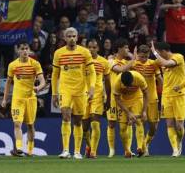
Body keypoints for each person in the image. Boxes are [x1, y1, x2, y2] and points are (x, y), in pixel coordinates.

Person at [51, 27, 96, 159]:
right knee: (65, 117)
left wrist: (91, 87)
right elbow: (55, 75)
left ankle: (77, 151)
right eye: (69, 36)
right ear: (65, 38)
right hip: (65, 89)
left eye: (74, 36)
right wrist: (54, 93)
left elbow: (92, 72)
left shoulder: (85, 52)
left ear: (77, 37)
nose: (71, 38)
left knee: (78, 121)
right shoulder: (58, 53)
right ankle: (65, 150)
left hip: (81, 90)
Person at [1, 40, 46, 157]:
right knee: (17, 123)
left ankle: (30, 151)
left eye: (27, 49)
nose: (25, 51)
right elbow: (8, 83)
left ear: (29, 50)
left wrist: (38, 88)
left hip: (31, 99)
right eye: (22, 49)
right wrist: (5, 99)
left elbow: (42, 81)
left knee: (30, 125)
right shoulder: (13, 65)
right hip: (17, 99)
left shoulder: (35, 64)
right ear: (18, 50)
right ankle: (20, 148)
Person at [151, 41, 185, 157]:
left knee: (179, 126)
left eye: (159, 53)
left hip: (178, 95)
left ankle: (179, 141)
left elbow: (166, 63)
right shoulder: (159, 61)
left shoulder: (178, 57)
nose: (158, 55)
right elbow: (145, 63)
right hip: (166, 95)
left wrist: (154, 53)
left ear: (163, 51)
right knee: (169, 123)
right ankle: (175, 149)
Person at [106, 38, 135, 157]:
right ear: (119, 48)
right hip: (113, 97)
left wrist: (132, 57)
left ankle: (128, 150)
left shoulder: (127, 61)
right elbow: (120, 70)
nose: (128, 50)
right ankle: (111, 150)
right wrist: (133, 59)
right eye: (126, 47)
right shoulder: (111, 61)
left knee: (128, 123)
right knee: (112, 123)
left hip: (125, 97)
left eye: (128, 48)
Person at [82, 39, 111, 158]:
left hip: (98, 94)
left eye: (94, 47)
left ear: (98, 49)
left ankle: (93, 151)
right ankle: (88, 146)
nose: (91, 49)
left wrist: (108, 98)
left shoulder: (104, 62)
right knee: (84, 127)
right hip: (83, 95)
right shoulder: (82, 61)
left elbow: (108, 82)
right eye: (89, 47)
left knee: (95, 123)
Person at [133, 45, 163, 156]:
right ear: (137, 55)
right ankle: (140, 147)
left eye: (146, 56)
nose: (144, 59)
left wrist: (163, 93)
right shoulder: (134, 64)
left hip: (152, 98)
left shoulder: (153, 64)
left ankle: (145, 144)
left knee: (153, 127)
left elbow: (160, 79)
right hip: (138, 98)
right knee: (139, 122)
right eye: (141, 57)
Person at [113, 70, 149, 158]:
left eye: (130, 85)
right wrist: (128, 113)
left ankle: (140, 147)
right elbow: (117, 99)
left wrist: (144, 111)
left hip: (137, 98)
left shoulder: (139, 78)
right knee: (122, 128)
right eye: (126, 86)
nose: (128, 88)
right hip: (123, 101)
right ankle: (127, 150)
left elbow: (146, 94)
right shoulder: (117, 82)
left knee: (138, 121)